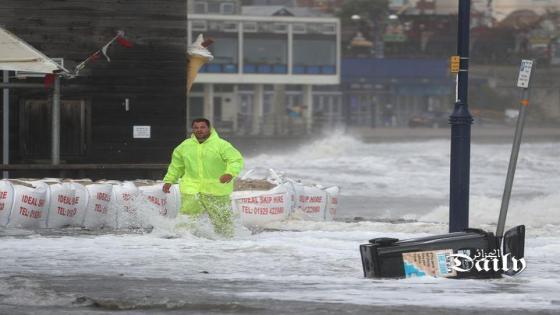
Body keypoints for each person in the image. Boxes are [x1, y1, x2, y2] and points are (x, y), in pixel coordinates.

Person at [162, 118, 244, 237]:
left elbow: (235, 160)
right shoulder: (184, 146)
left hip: (216, 189)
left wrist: (230, 173)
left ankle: (226, 243)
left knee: (222, 221)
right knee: (186, 217)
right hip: (191, 189)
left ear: (209, 128)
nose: (199, 130)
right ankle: (182, 241)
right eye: (196, 127)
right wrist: (169, 181)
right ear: (192, 129)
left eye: (202, 127)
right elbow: (176, 166)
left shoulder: (221, 145)